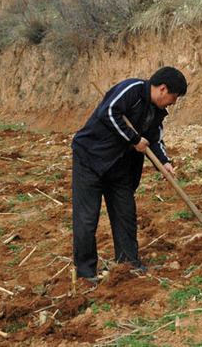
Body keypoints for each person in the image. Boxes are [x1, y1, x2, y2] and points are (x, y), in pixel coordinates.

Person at [71, 67, 187, 282]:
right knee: (86, 219)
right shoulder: (131, 89)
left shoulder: (156, 112)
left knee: (125, 214)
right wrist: (134, 139)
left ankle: (128, 264)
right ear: (163, 89)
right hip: (91, 160)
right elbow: (108, 112)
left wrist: (165, 162)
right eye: (174, 97)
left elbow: (153, 140)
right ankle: (85, 273)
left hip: (120, 168)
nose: (173, 103)